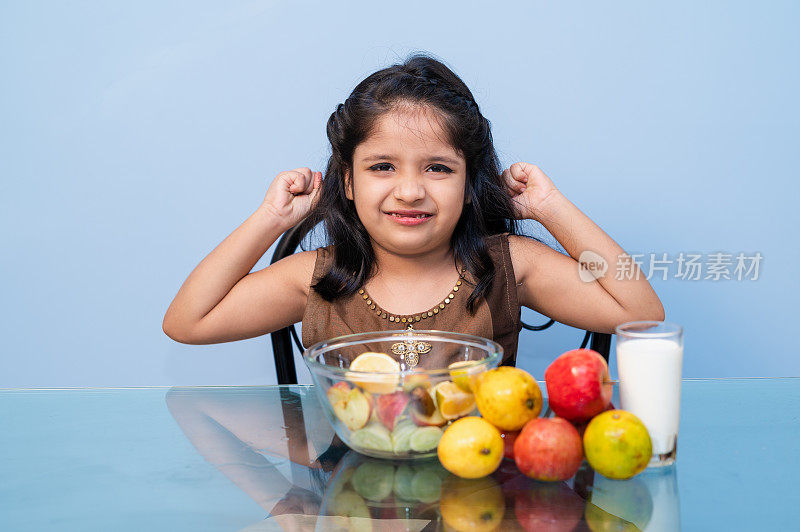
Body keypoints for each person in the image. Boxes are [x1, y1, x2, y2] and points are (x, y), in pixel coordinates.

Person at [161, 53, 664, 363]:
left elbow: (641, 312)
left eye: (438, 169)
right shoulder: (318, 278)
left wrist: (550, 207)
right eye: (382, 167)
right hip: (351, 502)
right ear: (349, 183)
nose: (409, 191)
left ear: (470, 183)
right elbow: (188, 322)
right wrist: (269, 220)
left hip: (484, 498)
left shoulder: (508, 265)